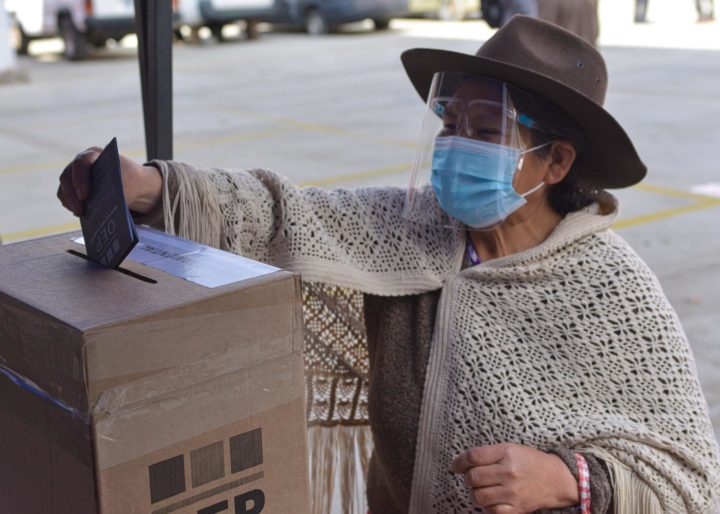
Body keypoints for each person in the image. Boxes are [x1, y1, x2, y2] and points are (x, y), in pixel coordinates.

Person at [58, 16, 720, 514]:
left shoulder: (612, 289)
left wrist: (570, 479)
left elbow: (689, 483)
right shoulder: (411, 227)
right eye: (450, 123)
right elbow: (283, 215)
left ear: (557, 162)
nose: (455, 145)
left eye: (485, 130)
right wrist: (150, 186)